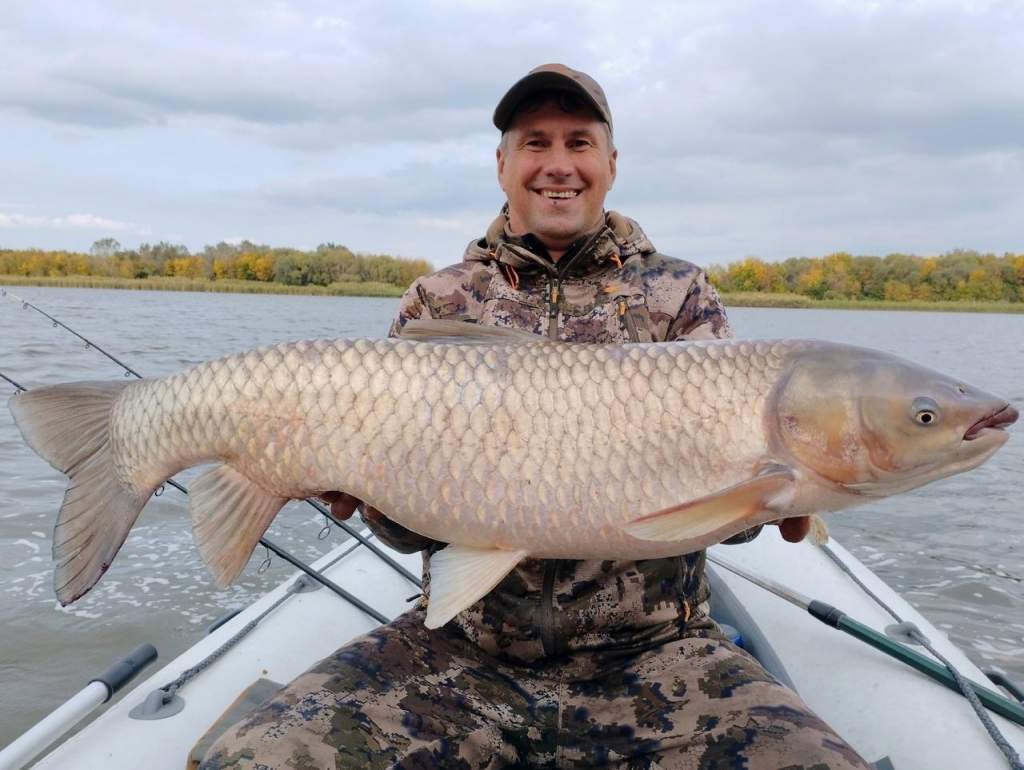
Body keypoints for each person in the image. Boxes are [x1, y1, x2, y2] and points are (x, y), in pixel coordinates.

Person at [200, 64, 871, 769]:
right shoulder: (442, 302)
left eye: (579, 143)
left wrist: (766, 503)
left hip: (658, 659)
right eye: (535, 143)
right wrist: (364, 490)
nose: (558, 165)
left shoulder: (679, 296)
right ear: (502, 165)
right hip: (461, 653)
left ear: (611, 163)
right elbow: (404, 531)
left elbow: (715, 520)